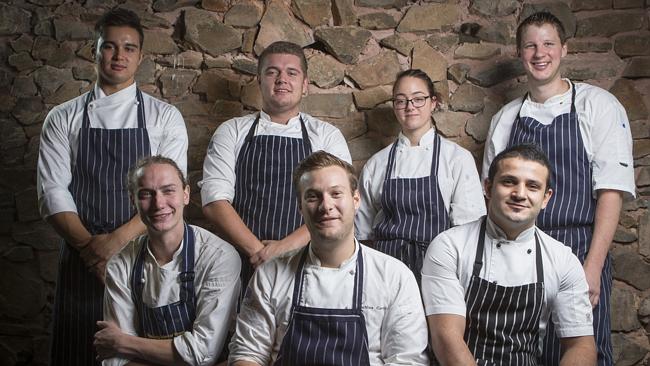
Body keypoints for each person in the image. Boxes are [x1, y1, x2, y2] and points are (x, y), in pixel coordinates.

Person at [481, 11, 635, 366]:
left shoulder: (597, 106)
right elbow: (491, 198)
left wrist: (592, 267)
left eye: (548, 43)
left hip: (580, 247)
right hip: (517, 254)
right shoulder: (505, 118)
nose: (540, 53)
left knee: (582, 349)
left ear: (564, 49)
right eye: (530, 46)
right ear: (521, 54)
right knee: (522, 351)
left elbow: (611, 191)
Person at [37, 8, 188, 365]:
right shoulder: (63, 117)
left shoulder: (164, 117)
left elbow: (169, 195)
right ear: (94, 50)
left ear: (140, 56)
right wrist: (91, 250)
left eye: (129, 48)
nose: (119, 56)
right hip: (80, 258)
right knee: (77, 350)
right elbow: (52, 192)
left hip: (145, 255)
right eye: (109, 46)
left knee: (141, 349)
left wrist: (113, 245)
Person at [229, 151, 430, 365]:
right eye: (313, 196)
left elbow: (408, 360)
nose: (326, 206)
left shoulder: (394, 276)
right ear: (300, 207)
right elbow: (247, 354)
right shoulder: (271, 274)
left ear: (356, 200)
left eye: (336, 194)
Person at [199, 41, 351, 294]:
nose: (282, 79)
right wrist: (258, 253)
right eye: (272, 72)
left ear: (305, 85)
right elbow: (215, 201)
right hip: (244, 262)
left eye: (292, 73)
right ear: (259, 80)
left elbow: (339, 203)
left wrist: (284, 249)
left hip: (309, 261)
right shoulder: (233, 131)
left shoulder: (325, 135)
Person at [423, 144, 596, 365]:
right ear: (487, 187)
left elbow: (580, 344)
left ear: (546, 198)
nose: (520, 194)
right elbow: (447, 339)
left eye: (533, 186)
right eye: (509, 182)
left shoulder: (563, 260)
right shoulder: (449, 247)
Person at [94, 156, 240, 366]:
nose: (159, 203)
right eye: (146, 194)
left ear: (186, 195)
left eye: (168, 190)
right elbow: (116, 360)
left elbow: (203, 354)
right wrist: (121, 348)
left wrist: (125, 342)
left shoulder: (218, 256)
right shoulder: (121, 264)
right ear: (132, 201)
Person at [355, 69, 486, 283]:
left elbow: (469, 232)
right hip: (386, 272)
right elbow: (363, 234)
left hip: (439, 270)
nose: (410, 107)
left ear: (433, 102)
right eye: (401, 101)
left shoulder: (457, 159)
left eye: (418, 99)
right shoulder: (376, 164)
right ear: (395, 106)